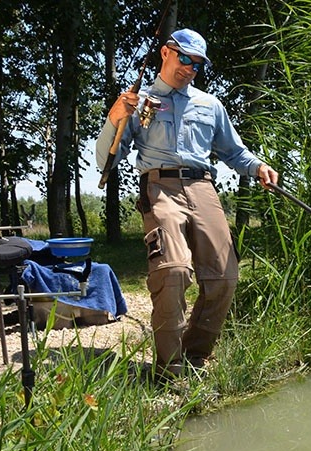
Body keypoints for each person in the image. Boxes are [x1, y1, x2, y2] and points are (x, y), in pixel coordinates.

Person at [96, 28, 279, 378]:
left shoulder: (210, 105)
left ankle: (195, 357)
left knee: (225, 277)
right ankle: (170, 368)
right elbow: (106, 161)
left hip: (204, 188)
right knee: (174, 270)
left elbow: (234, 152)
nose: (189, 68)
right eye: (184, 59)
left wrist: (258, 167)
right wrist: (115, 117)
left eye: (196, 64)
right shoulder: (139, 100)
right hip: (159, 187)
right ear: (166, 53)